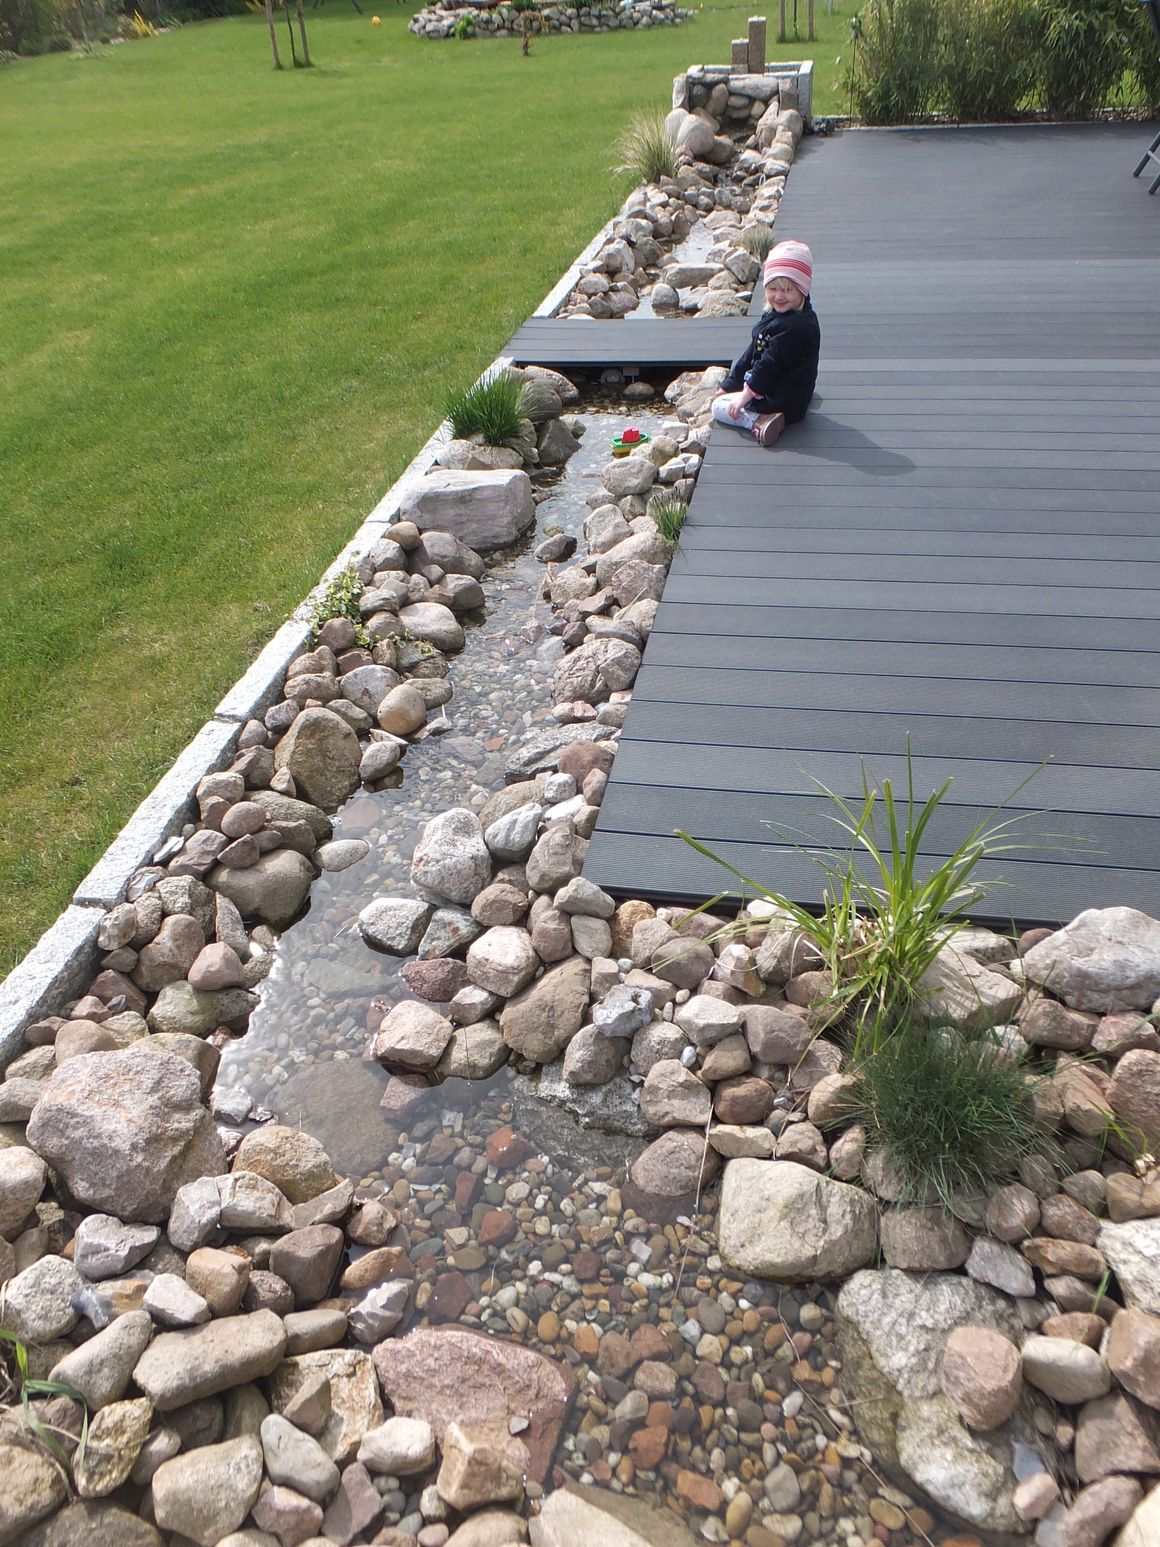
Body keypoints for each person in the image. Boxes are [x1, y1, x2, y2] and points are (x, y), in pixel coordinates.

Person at [712, 239, 820, 448]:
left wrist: (744, 396)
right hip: (791, 390)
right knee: (732, 392)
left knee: (718, 407)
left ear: (802, 290)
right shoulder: (777, 314)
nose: (778, 296)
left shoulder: (796, 327)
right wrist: (730, 384)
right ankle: (785, 403)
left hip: (782, 400)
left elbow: (770, 364)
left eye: (787, 290)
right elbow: (753, 351)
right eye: (772, 289)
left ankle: (759, 421)